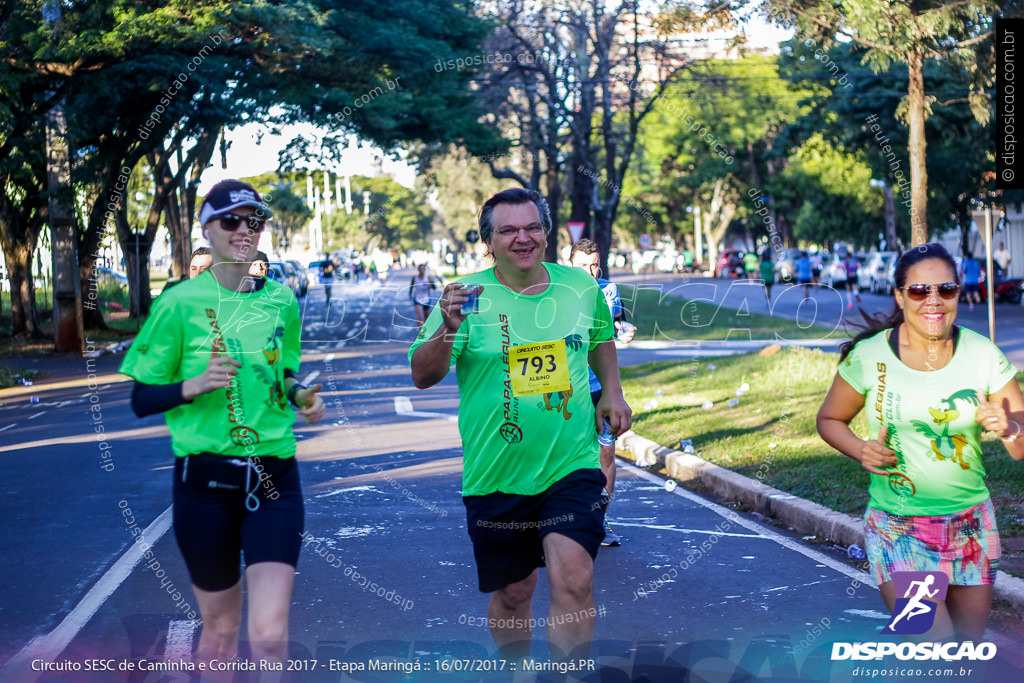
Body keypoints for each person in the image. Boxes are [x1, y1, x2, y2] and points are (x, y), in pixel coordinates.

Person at [409, 188, 631, 660]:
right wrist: (448, 329)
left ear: (547, 234)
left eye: (532, 227)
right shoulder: (465, 295)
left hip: (570, 464)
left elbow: (601, 338)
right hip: (497, 473)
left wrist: (612, 391)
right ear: (488, 241)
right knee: (514, 593)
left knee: (574, 576)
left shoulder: (578, 287)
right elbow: (423, 376)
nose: (522, 238)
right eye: (508, 230)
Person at [119, 179, 325, 668]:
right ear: (206, 229)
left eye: (253, 220)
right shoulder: (178, 304)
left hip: (276, 481)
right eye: (231, 220)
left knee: (271, 633)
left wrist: (300, 396)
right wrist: (192, 384)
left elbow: (282, 371)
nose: (243, 230)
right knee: (222, 630)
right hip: (204, 489)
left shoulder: (280, 301)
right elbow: (141, 399)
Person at [816, 243, 1024, 642]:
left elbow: (1021, 446)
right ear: (899, 295)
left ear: (958, 294)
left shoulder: (983, 354)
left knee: (966, 651)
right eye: (918, 291)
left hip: (970, 525)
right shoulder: (870, 356)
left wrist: (1009, 427)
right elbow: (829, 419)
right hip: (899, 526)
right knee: (932, 643)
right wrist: (860, 448)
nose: (934, 301)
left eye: (945, 290)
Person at [568, 238, 637, 547]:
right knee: (566, 459)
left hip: (600, 389)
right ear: (570, 265)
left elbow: (615, 324)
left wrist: (625, 331)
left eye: (595, 264)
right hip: (565, 390)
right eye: (584, 265)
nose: (591, 271)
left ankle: (598, 521)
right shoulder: (556, 292)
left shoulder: (608, 290)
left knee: (605, 453)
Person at [409, 263, 438, 329]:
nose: (421, 270)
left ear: (425, 270)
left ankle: (426, 331)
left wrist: (430, 285)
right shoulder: (415, 278)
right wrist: (410, 294)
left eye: (423, 269)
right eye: (420, 269)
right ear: (418, 270)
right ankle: (421, 333)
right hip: (417, 299)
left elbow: (434, 287)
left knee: (427, 318)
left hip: (426, 299)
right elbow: (411, 286)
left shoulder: (428, 278)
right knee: (419, 317)